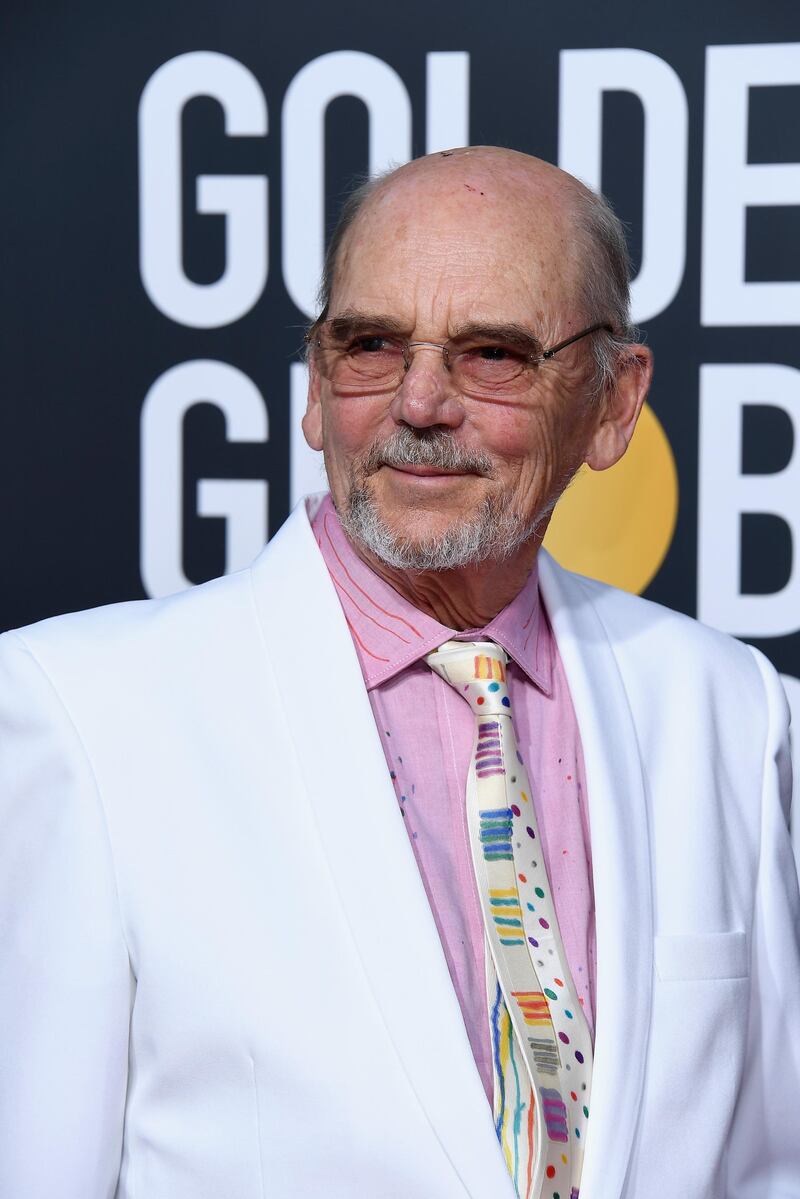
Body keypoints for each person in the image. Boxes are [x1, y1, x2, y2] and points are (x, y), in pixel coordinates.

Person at [0, 146, 797, 1199]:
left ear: (612, 403)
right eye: (370, 343)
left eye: (491, 354)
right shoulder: (83, 714)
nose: (418, 403)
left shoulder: (730, 711)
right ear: (315, 382)